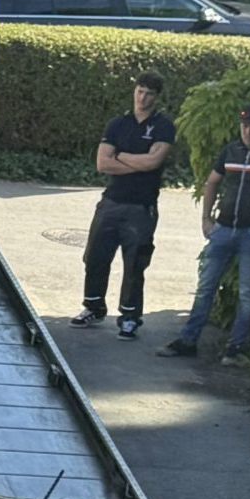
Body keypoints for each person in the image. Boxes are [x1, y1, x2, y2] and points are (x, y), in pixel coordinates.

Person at [157, 102, 250, 364]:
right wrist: (206, 219)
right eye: (245, 125)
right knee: (205, 288)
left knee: (247, 293)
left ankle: (235, 350)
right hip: (223, 229)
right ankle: (188, 341)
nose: (248, 131)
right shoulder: (231, 150)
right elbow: (212, 182)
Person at [68, 73, 175, 341]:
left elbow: (154, 162)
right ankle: (93, 306)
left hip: (141, 207)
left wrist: (123, 156)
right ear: (134, 91)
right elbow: (103, 163)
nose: (143, 98)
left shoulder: (163, 126)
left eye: (149, 93)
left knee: (134, 263)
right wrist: (137, 161)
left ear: (157, 97)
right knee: (95, 256)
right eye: (140, 91)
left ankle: (129, 318)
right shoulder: (118, 124)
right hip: (111, 202)